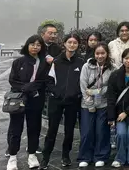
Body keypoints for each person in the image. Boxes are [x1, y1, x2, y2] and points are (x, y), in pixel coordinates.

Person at [6, 35, 51, 170]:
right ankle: (13, 156)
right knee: (16, 128)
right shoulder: (18, 62)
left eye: (38, 45)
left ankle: (32, 154)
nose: (35, 47)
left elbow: (45, 80)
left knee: (34, 128)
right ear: (27, 45)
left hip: (36, 99)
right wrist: (26, 88)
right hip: (19, 99)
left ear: (41, 47)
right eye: (32, 44)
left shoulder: (44, 62)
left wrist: (34, 87)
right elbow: (12, 81)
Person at [41, 33, 85, 169]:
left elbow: (83, 82)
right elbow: (49, 80)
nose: (72, 45)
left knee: (69, 130)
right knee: (52, 130)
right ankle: (45, 157)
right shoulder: (56, 61)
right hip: (56, 100)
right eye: (69, 42)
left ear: (78, 45)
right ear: (64, 44)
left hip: (73, 101)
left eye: (75, 43)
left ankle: (66, 156)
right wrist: (56, 92)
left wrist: (76, 93)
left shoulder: (81, 62)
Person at [77, 42, 114, 168]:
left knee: (101, 131)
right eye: (97, 53)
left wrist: (96, 91)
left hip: (103, 104)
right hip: (87, 105)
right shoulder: (87, 66)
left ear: (107, 54)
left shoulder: (112, 68)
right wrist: (89, 103)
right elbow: (83, 86)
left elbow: (111, 87)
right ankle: (85, 156)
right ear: (94, 54)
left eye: (103, 53)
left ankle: (101, 156)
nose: (100, 56)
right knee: (87, 132)